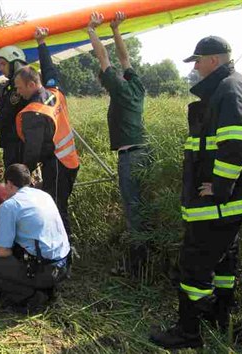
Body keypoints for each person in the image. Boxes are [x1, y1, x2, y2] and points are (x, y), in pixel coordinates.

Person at [149, 36, 242, 349]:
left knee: (195, 263)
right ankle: (219, 316)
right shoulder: (235, 85)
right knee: (225, 260)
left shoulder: (229, 88)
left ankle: (188, 331)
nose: (195, 68)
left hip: (220, 202)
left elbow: (235, 141)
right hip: (231, 203)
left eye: (197, 61)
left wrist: (220, 187)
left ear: (214, 60)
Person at [87, 12, 150, 274]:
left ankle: (136, 266)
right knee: (142, 208)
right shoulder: (136, 86)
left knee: (133, 210)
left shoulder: (120, 89)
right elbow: (125, 58)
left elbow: (105, 58)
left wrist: (92, 30)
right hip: (145, 153)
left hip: (130, 157)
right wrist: (115, 29)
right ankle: (143, 260)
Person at [0, 164, 70, 314]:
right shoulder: (44, 195)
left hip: (43, 271)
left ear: (9, 184)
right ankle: (43, 286)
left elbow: (3, 252)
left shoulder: (10, 205)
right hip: (63, 266)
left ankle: (30, 295)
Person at [13, 27, 80, 237]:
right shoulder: (54, 92)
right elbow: (49, 70)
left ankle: (64, 255)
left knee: (57, 208)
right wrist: (41, 43)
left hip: (57, 164)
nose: (18, 92)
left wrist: (21, 176)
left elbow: (32, 151)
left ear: (32, 84)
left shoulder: (34, 112)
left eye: (20, 87)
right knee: (59, 204)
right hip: (70, 161)